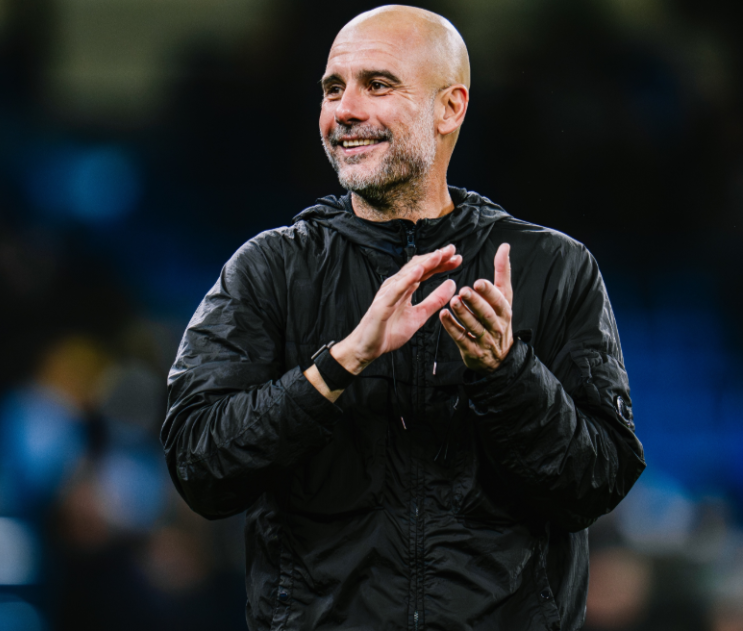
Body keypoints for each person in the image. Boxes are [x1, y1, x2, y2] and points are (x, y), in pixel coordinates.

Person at [161, 5, 646, 630]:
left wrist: (506, 372)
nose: (345, 109)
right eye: (333, 89)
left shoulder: (553, 267)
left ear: (450, 108)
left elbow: (598, 482)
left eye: (377, 84)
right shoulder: (269, 270)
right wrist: (340, 364)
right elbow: (199, 468)